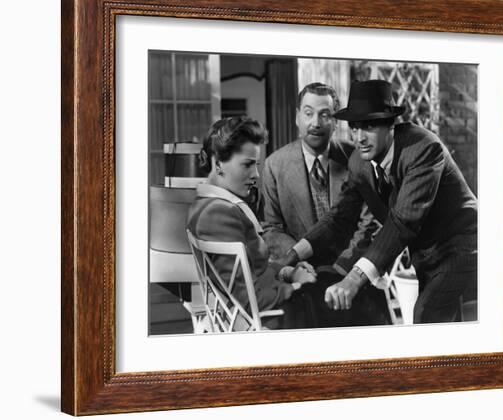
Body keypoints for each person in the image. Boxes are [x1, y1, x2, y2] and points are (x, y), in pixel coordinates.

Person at [281, 80, 478, 324]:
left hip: (462, 246)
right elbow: (339, 218)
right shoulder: (359, 162)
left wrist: (354, 278)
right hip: (425, 255)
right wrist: (292, 254)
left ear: (391, 124)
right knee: (445, 327)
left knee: (426, 315)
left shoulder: (424, 148)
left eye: (369, 126)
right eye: (354, 128)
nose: (359, 137)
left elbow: (403, 221)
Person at [262, 82, 390, 326]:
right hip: (300, 272)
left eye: (325, 114)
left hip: (350, 267)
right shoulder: (274, 165)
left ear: (336, 121)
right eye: (308, 113)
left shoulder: (358, 156)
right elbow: (271, 228)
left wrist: (345, 270)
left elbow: (369, 221)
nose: (316, 123)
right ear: (297, 117)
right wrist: (298, 264)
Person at [186, 116, 318, 329]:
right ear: (218, 163)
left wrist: (287, 271)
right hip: (277, 318)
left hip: (275, 302)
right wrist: (297, 286)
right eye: (247, 165)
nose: (256, 174)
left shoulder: (208, 204)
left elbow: (252, 270)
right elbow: (249, 301)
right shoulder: (217, 214)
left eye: (256, 165)